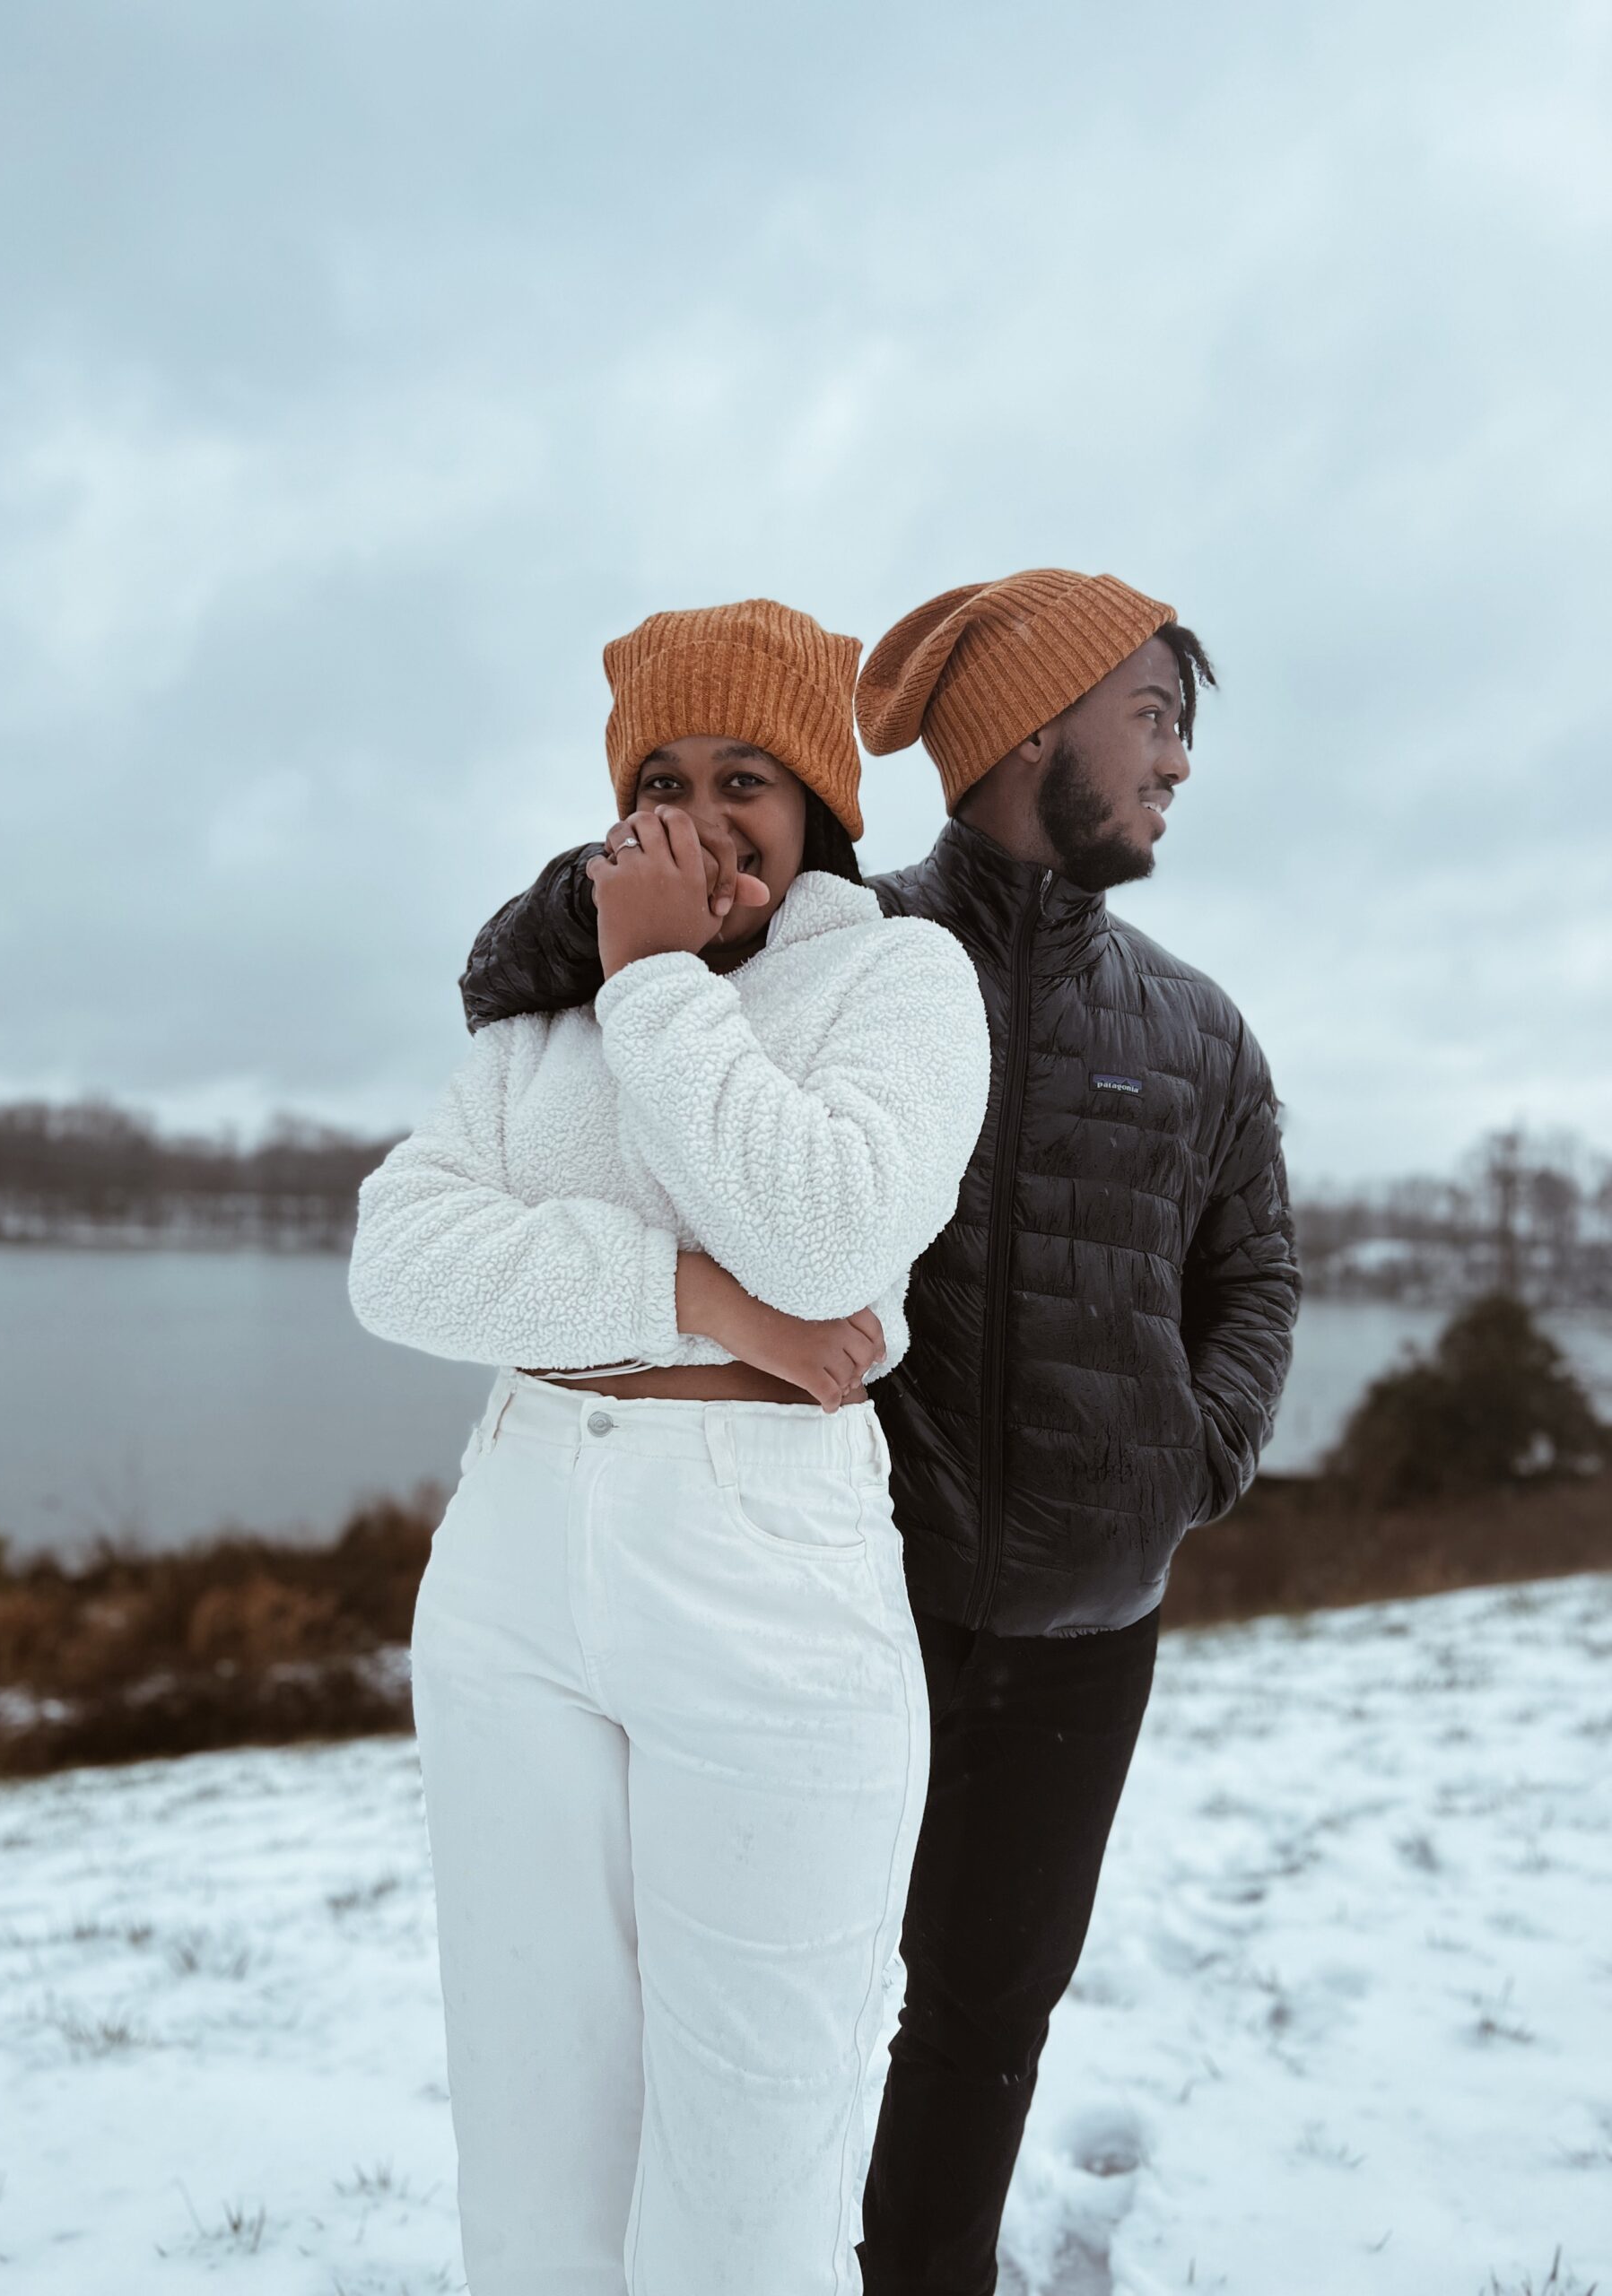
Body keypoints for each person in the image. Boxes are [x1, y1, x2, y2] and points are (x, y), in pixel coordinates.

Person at [457, 568, 1302, 2294]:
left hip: (1082, 1623)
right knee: (781, 2010)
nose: (1179, 766)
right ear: (1032, 729)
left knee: (988, 2017)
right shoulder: (832, 943)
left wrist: (1184, 1459)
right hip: (847, 1588)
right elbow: (519, 963)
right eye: (1154, 720)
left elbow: (1257, 1269)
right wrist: (641, 882)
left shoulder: (1198, 1028)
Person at [348, 597, 990, 2296]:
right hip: (515, 1567)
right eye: (663, 779)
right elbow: (400, 1259)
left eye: (750, 778)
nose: (705, 817)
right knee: (536, 2167)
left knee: (747, 2197)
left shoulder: (901, 983)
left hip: (766, 1591)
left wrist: (651, 979)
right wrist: (698, 1293)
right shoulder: (534, 1028)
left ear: (823, 804)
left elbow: (832, 1241)